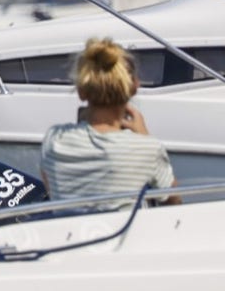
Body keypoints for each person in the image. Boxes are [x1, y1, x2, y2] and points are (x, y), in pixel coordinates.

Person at [40, 37, 181, 208]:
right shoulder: (147, 149)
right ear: (134, 87)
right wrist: (144, 137)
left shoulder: (54, 139)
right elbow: (173, 203)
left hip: (73, 233)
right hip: (125, 234)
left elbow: (51, 188)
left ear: (81, 92)